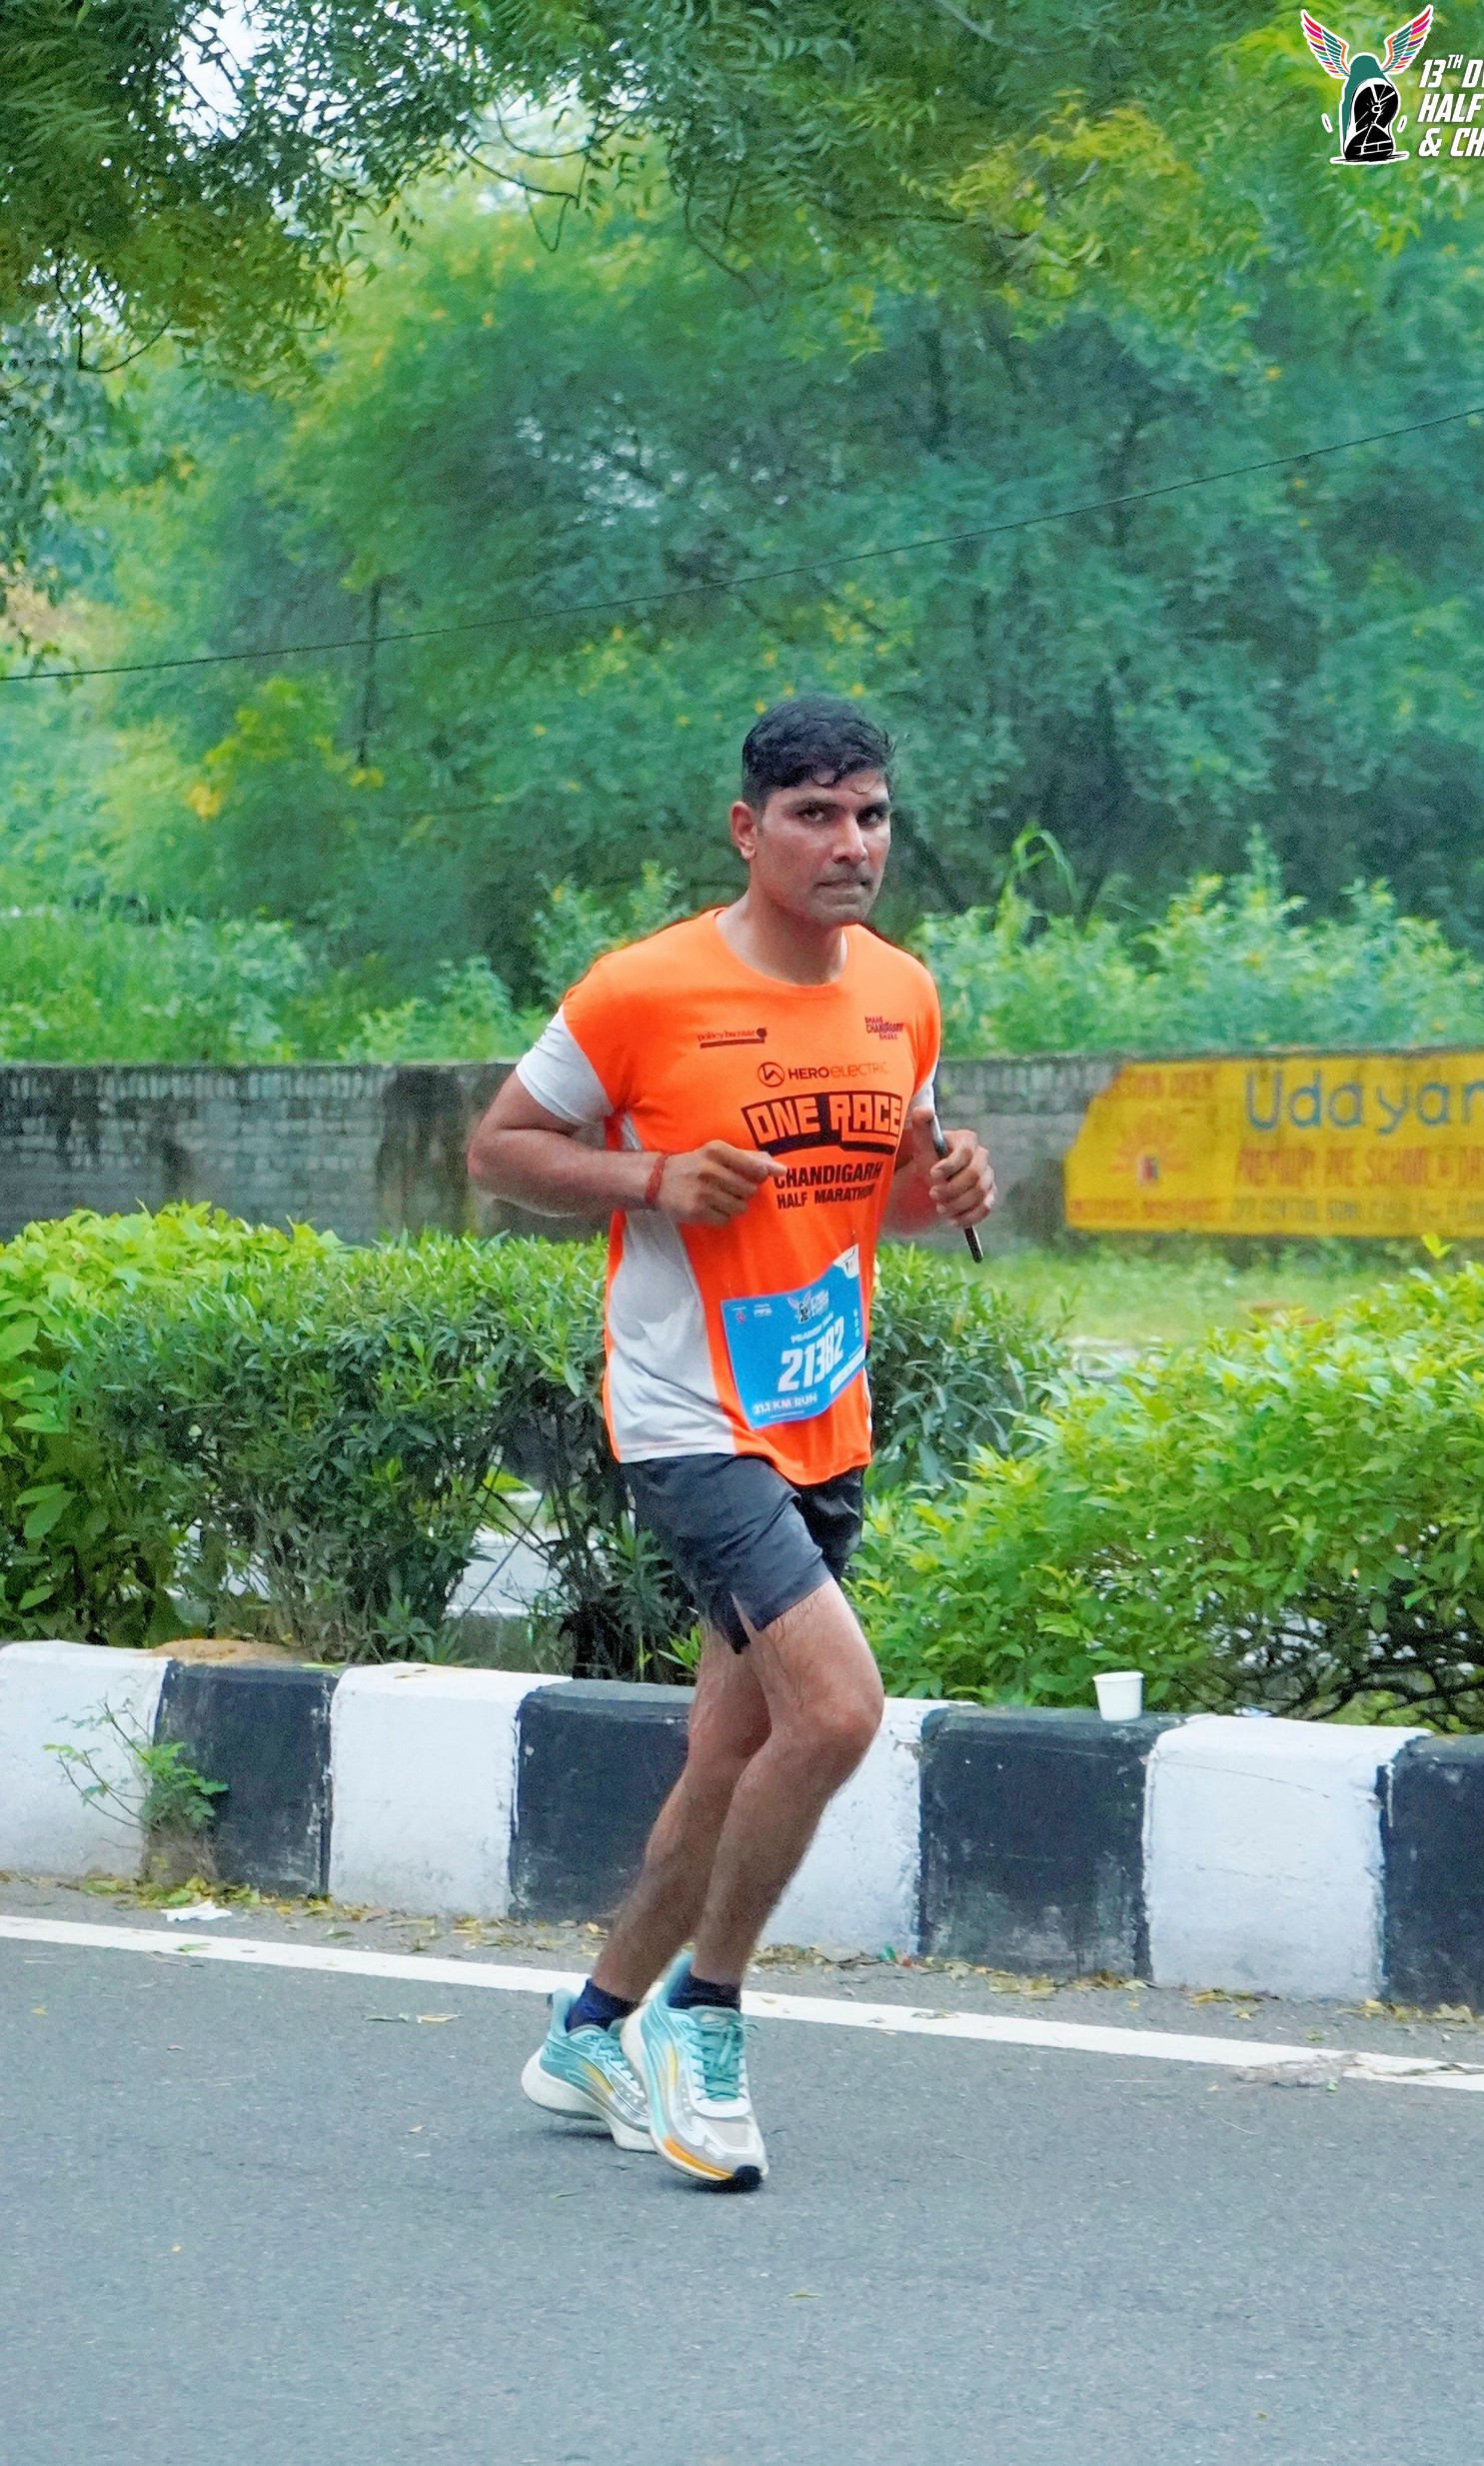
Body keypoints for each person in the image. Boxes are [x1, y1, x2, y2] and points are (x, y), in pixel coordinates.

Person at [467, 696, 995, 2189]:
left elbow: (882, 1194)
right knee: (836, 1714)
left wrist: (950, 1186)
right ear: (748, 829)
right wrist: (649, 1177)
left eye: (871, 814)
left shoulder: (903, 994)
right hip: (688, 1418)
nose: (851, 844)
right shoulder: (643, 991)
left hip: (823, 1410)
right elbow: (499, 1149)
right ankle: (704, 2020)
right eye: (817, 815)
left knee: (733, 1754)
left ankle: (589, 2030)